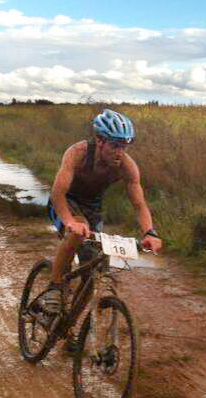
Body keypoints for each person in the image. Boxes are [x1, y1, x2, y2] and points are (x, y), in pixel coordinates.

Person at [41, 109, 163, 315]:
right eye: (115, 146)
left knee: (92, 271)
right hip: (66, 201)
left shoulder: (127, 167)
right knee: (77, 233)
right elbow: (57, 193)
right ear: (99, 140)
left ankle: (68, 325)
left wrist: (149, 232)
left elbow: (139, 205)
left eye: (124, 146)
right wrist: (70, 221)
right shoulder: (78, 153)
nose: (120, 152)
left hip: (92, 208)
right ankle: (54, 287)